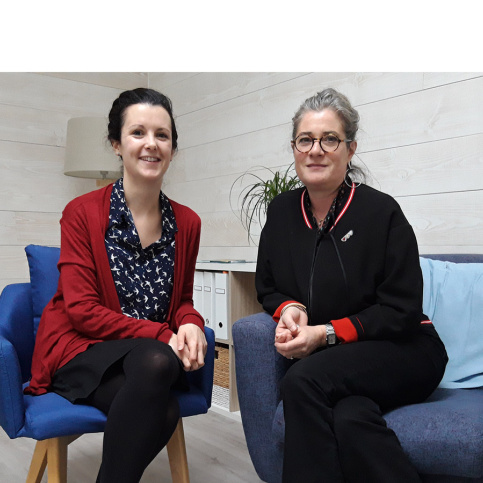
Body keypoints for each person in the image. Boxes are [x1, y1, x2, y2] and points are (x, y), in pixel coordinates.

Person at [255, 88, 448, 482]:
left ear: (350, 148)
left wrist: (324, 335)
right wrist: (292, 309)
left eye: (329, 139)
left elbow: (401, 310)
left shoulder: (382, 212)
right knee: (349, 417)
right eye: (305, 140)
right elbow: (268, 285)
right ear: (294, 148)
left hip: (407, 349)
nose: (316, 150)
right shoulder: (281, 212)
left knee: (304, 380)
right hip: (342, 365)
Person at [25, 88, 207, 482]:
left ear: (173, 148)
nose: (151, 144)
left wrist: (190, 321)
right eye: (138, 132)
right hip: (82, 348)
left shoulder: (187, 222)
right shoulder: (82, 213)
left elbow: (182, 299)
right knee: (165, 399)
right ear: (116, 144)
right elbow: (81, 311)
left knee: (157, 364)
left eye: (162, 135)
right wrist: (162, 333)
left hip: (148, 358)